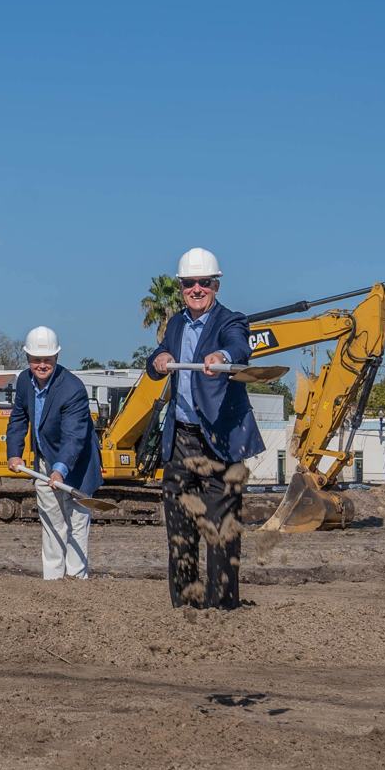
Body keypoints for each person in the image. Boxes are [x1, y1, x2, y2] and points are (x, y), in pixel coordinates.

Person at [148, 247, 263, 610]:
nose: (196, 289)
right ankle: (184, 605)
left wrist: (222, 358)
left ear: (216, 285)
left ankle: (221, 606)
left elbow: (239, 348)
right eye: (189, 283)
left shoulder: (232, 320)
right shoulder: (176, 324)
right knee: (179, 528)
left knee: (221, 528)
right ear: (181, 286)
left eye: (204, 283)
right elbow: (157, 362)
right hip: (181, 438)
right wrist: (160, 358)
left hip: (221, 440)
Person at [3, 326, 102, 579]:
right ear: (27, 359)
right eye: (36, 359)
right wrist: (15, 452)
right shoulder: (24, 381)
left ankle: (76, 579)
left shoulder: (72, 389)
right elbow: (18, 418)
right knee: (51, 521)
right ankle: (53, 581)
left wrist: (60, 470)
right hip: (44, 460)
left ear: (57, 358)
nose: (42, 365)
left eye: (47, 360)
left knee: (77, 521)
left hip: (77, 464)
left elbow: (74, 437)